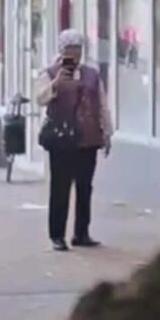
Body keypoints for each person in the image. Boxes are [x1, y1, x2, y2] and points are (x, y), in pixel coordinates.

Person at [36, 29, 114, 252]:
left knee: (85, 187)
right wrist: (56, 83)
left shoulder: (92, 74)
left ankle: (81, 233)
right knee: (60, 188)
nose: (74, 54)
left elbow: (102, 104)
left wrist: (107, 132)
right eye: (70, 49)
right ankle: (57, 235)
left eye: (78, 49)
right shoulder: (50, 73)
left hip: (88, 138)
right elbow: (40, 99)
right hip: (62, 139)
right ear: (62, 50)